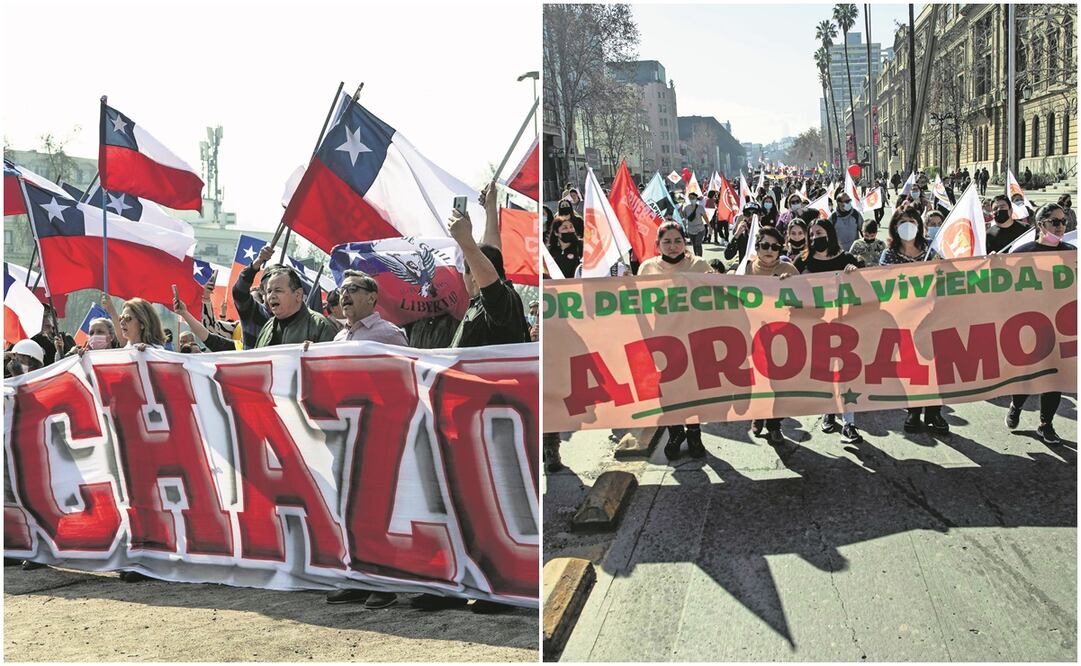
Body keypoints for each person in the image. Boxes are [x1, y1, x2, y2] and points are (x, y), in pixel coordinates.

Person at [639, 222, 713, 460]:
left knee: (693, 389)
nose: (672, 247)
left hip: (695, 338)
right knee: (667, 390)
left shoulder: (699, 266)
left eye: (677, 241)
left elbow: (721, 294)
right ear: (657, 244)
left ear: (685, 242)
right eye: (667, 242)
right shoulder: (647, 268)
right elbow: (639, 307)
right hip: (663, 340)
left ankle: (694, 433)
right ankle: (675, 432)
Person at [1006, 203, 1076, 445]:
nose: (1060, 226)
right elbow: (1000, 286)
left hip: (1060, 328)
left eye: (1063, 221)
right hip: (1028, 327)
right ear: (1041, 224)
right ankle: (1016, 404)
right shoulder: (1023, 253)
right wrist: (993, 265)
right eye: (1055, 222)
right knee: (1026, 375)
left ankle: (1046, 424)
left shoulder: (1071, 252)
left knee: (1054, 378)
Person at [878, 210, 950, 434]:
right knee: (913, 368)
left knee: (936, 367)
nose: (907, 225)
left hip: (933, 317)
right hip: (905, 320)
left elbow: (952, 273)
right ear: (894, 227)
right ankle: (914, 411)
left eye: (911, 221)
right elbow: (880, 285)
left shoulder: (932, 248)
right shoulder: (889, 255)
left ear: (919, 225)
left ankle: (934, 412)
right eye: (902, 222)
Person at [798, 216, 864, 444]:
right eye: (813, 234)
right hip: (815, 327)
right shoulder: (803, 260)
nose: (817, 237)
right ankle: (829, 411)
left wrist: (855, 271)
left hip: (845, 326)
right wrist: (787, 278)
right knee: (826, 373)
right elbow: (784, 284)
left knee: (845, 374)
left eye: (820, 232)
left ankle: (850, 424)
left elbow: (866, 283)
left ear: (830, 234)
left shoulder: (845, 258)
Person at [741, 226, 798, 445]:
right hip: (752, 336)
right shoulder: (745, 269)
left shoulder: (789, 269)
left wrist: (791, 285)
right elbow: (725, 289)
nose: (769, 250)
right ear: (757, 247)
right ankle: (757, 415)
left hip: (781, 338)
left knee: (778, 384)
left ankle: (775, 425)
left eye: (775, 247)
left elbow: (803, 300)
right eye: (765, 245)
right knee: (757, 383)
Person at [254, 265, 338, 348]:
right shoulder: (267, 328)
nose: (271, 296)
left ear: (298, 295)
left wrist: (314, 353)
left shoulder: (321, 326)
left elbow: (334, 360)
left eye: (278, 290)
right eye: (269, 291)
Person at [332, 271, 407, 346]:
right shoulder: (338, 338)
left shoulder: (390, 334)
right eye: (341, 290)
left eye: (352, 289)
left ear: (371, 298)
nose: (344, 294)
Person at [232, 244, 274, 349]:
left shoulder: (295, 319)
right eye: (270, 289)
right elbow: (239, 292)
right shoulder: (254, 312)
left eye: (280, 290)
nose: (275, 295)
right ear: (262, 289)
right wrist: (258, 261)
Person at [548, 213, 583, 279]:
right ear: (556, 232)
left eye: (571, 227)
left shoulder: (582, 246)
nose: (569, 230)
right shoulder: (550, 251)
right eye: (565, 228)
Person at [681, 191, 709, 256]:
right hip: (691, 230)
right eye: (690, 198)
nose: (691, 199)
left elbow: (705, 217)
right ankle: (696, 256)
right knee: (694, 245)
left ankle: (700, 257)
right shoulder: (687, 208)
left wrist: (709, 226)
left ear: (696, 198)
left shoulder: (700, 208)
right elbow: (685, 217)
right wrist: (681, 211)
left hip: (700, 229)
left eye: (693, 198)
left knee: (698, 243)